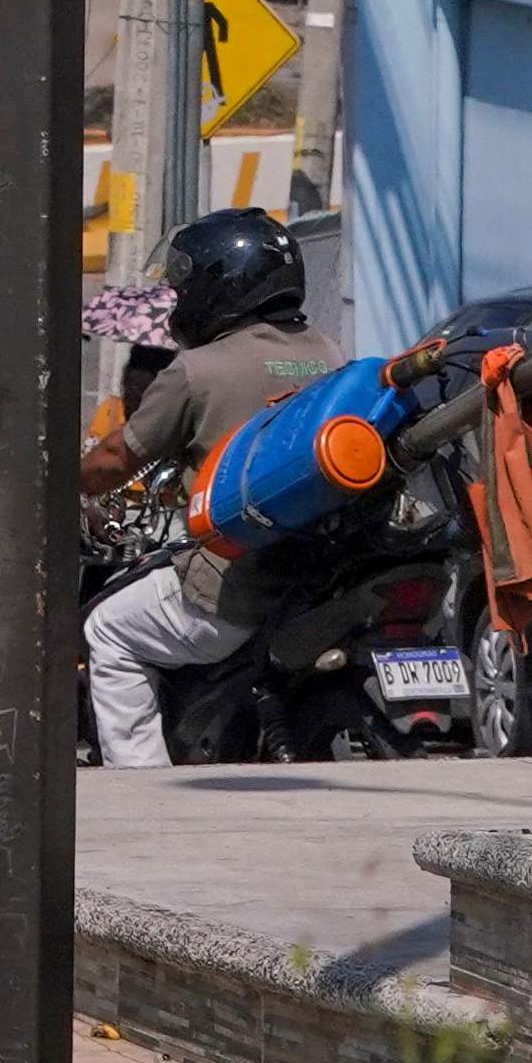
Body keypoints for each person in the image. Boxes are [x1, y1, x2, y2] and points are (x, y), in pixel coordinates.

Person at [76, 206, 345, 766]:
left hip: (237, 580)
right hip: (324, 568)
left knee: (108, 630)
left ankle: (143, 791)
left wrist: (60, 485)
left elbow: (115, 458)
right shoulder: (327, 353)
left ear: (220, 285)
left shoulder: (198, 370)